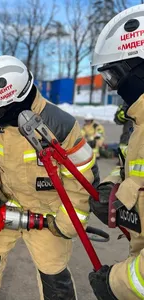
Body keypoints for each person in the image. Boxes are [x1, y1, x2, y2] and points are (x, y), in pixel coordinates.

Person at [0, 55, 98, 300]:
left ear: (15, 102)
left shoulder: (61, 126)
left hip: (49, 214)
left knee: (54, 275)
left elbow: (81, 179)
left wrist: (66, 224)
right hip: (2, 205)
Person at [88, 4, 144, 300]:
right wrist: (113, 189)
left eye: (113, 77)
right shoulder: (140, 124)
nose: (114, 88)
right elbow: (132, 165)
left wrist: (116, 284)